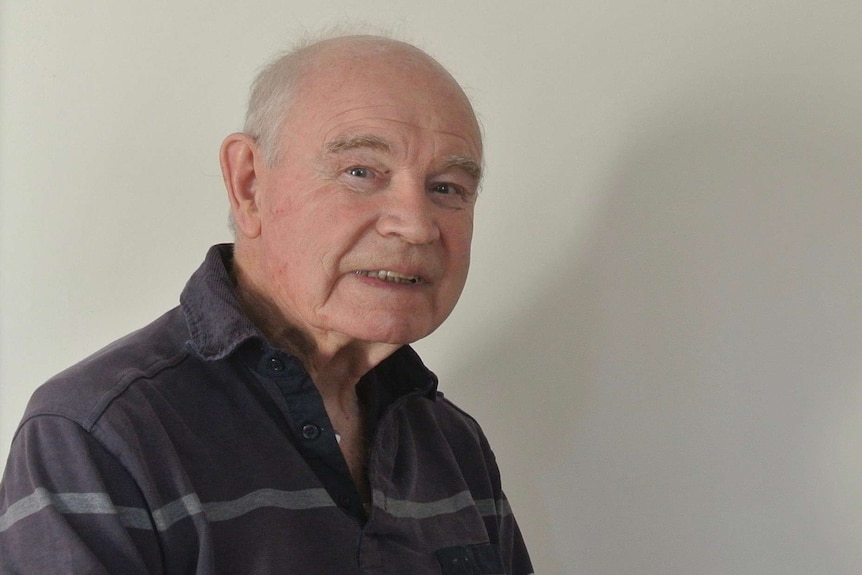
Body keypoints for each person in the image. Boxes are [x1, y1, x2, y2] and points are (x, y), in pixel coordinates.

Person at [0, 34, 533, 574]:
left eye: (446, 188)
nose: (416, 225)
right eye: (361, 172)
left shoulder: (451, 442)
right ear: (249, 184)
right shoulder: (99, 435)